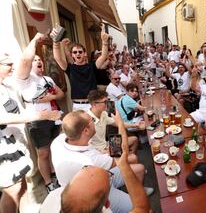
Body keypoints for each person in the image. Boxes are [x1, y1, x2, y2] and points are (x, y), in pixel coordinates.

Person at [41, 113, 150, 213]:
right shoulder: (89, 161)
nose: (94, 121)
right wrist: (120, 124)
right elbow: (120, 156)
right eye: (92, 120)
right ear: (86, 131)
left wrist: (104, 152)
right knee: (147, 209)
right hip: (93, 196)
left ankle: (134, 192)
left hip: (87, 185)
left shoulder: (59, 140)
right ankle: (134, 197)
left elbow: (101, 153)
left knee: (139, 168)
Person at [0, 50, 61, 213]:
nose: (13, 67)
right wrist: (38, 115)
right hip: (4, 148)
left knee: (21, 187)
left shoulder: (6, 86)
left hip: (16, 143)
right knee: (11, 190)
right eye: (8, 64)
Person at [16, 33, 65, 193]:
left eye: (40, 60)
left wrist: (51, 96)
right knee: (43, 153)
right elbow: (24, 60)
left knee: (53, 149)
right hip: (38, 122)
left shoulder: (47, 79)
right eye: (35, 60)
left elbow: (61, 95)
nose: (38, 61)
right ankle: (48, 182)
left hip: (54, 119)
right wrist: (35, 40)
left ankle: (54, 174)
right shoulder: (25, 79)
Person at [52, 24, 109, 111]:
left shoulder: (92, 66)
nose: (77, 53)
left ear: (84, 53)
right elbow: (58, 58)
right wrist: (55, 42)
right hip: (78, 106)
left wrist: (104, 42)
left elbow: (103, 56)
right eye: (75, 52)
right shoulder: (70, 68)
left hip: (93, 105)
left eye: (80, 52)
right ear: (72, 55)